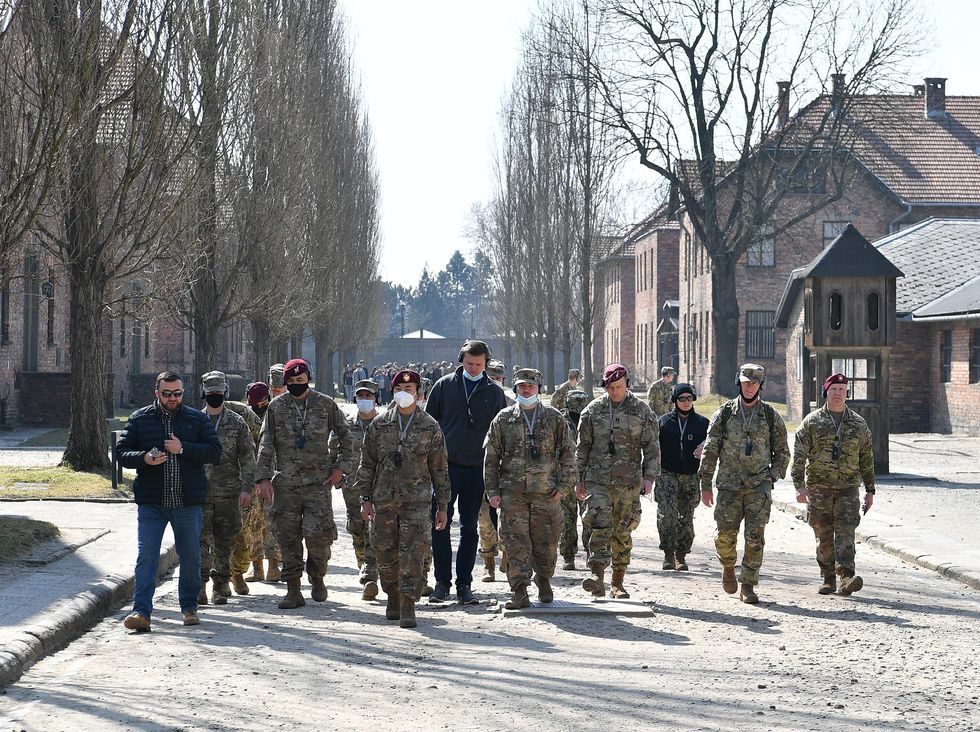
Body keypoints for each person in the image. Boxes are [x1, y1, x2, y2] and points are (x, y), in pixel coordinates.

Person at [117, 371, 222, 631]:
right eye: (167, 394)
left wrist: (183, 448)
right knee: (147, 556)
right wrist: (144, 458)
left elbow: (214, 451)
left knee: (191, 556)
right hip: (152, 503)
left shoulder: (196, 419)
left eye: (177, 393)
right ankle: (141, 612)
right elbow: (121, 452)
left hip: (187, 503)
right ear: (157, 394)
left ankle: (188, 607)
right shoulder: (141, 418)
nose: (173, 398)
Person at [255, 358, 353, 609]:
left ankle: (317, 577)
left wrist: (340, 468)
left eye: (301, 381)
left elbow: (346, 437)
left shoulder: (325, 404)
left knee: (319, 536)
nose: (296, 385)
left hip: (318, 484)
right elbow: (266, 443)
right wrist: (263, 477)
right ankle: (293, 589)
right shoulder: (276, 407)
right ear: (286, 382)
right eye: (291, 382)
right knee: (287, 537)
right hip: (286, 484)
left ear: (308, 378)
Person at [355, 370, 450, 628]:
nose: (405, 393)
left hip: (416, 502)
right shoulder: (379, 424)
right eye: (400, 388)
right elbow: (367, 464)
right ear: (393, 391)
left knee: (414, 554)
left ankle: (408, 601)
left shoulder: (430, 426)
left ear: (418, 393)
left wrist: (442, 506)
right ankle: (392, 595)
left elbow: (440, 469)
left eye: (410, 389)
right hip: (384, 501)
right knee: (385, 552)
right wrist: (364, 498)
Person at [425, 339, 508, 605]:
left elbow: (500, 434)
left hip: (476, 469)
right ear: (461, 360)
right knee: (441, 524)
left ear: (486, 364)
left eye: (479, 365)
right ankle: (441, 583)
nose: (473, 368)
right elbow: (430, 424)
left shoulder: (494, 392)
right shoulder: (444, 385)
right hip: (446, 468)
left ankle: (464, 584)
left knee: (470, 527)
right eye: (469, 363)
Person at [484, 368, 576, 608]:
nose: (526, 390)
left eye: (531, 387)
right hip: (513, 493)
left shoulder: (554, 418)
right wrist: (492, 491)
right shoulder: (503, 419)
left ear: (539, 389)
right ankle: (519, 590)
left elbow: (568, 454)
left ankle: (543, 579)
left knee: (547, 541)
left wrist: (564, 486)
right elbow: (491, 458)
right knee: (515, 542)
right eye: (522, 386)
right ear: (516, 389)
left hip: (546, 493)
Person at [699, 363, 790, 604]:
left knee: (755, 537)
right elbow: (710, 450)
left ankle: (748, 584)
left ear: (761, 385)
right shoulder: (725, 413)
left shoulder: (771, 416)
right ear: (738, 383)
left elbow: (783, 453)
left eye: (755, 383)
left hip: (758, 486)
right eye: (746, 382)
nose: (750, 387)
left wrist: (772, 476)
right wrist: (705, 484)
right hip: (729, 485)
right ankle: (728, 566)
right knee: (725, 536)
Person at [574, 363, 660, 599]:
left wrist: (650, 477)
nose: (614, 391)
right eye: (610, 387)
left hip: (628, 482)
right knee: (598, 524)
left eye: (619, 386)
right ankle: (596, 576)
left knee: (622, 531)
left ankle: (617, 582)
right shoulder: (592, 411)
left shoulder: (641, 411)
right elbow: (582, 448)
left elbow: (652, 448)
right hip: (597, 480)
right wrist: (578, 479)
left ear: (627, 384)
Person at [792, 373, 875, 596]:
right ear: (825, 393)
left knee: (846, 532)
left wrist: (870, 490)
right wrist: (799, 485)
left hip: (848, 487)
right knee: (824, 535)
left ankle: (846, 576)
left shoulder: (858, 423)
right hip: (818, 488)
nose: (837, 394)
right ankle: (828, 577)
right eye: (833, 390)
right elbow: (799, 454)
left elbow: (866, 458)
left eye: (841, 390)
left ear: (846, 393)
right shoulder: (812, 422)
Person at [197, 371, 256, 605]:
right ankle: (199, 585)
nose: (215, 397)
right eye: (211, 393)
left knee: (225, 540)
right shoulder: (195, 422)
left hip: (229, 492)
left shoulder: (237, 422)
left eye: (219, 393)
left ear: (226, 393)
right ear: (204, 393)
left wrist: (246, 488)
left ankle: (220, 584)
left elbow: (248, 458)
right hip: (199, 493)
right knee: (199, 540)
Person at [331, 378, 381, 601]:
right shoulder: (347, 424)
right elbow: (333, 449)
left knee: (374, 528)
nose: (364, 400)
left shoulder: (383, 424)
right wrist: (337, 475)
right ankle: (363, 563)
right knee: (356, 527)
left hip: (378, 485)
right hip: (352, 485)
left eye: (368, 396)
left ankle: (370, 573)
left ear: (375, 398)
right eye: (361, 396)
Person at [232, 381, 282, 584]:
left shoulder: (247, 417)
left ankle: (264, 567)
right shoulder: (274, 414)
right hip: (267, 475)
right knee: (265, 523)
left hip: (260, 476)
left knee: (258, 523)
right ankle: (268, 567)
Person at [656, 383, 709, 571]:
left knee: (686, 517)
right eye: (681, 399)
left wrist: (705, 448)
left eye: (689, 398)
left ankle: (681, 555)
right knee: (667, 515)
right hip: (667, 475)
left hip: (691, 476)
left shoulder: (703, 423)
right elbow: (652, 446)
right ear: (675, 400)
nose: (686, 402)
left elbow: (713, 443)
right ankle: (668, 554)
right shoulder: (663, 422)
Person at [477, 358, 513, 582]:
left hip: (508, 470)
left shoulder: (512, 402)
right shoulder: (476, 401)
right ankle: (488, 563)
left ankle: (508, 556)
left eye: (498, 377)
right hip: (483, 467)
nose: (495, 380)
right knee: (484, 519)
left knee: (510, 518)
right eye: (491, 376)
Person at [559, 389, 592, 570]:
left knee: (589, 516)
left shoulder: (591, 420)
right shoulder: (560, 421)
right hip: (566, 475)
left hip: (587, 475)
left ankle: (590, 552)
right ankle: (568, 555)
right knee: (567, 518)